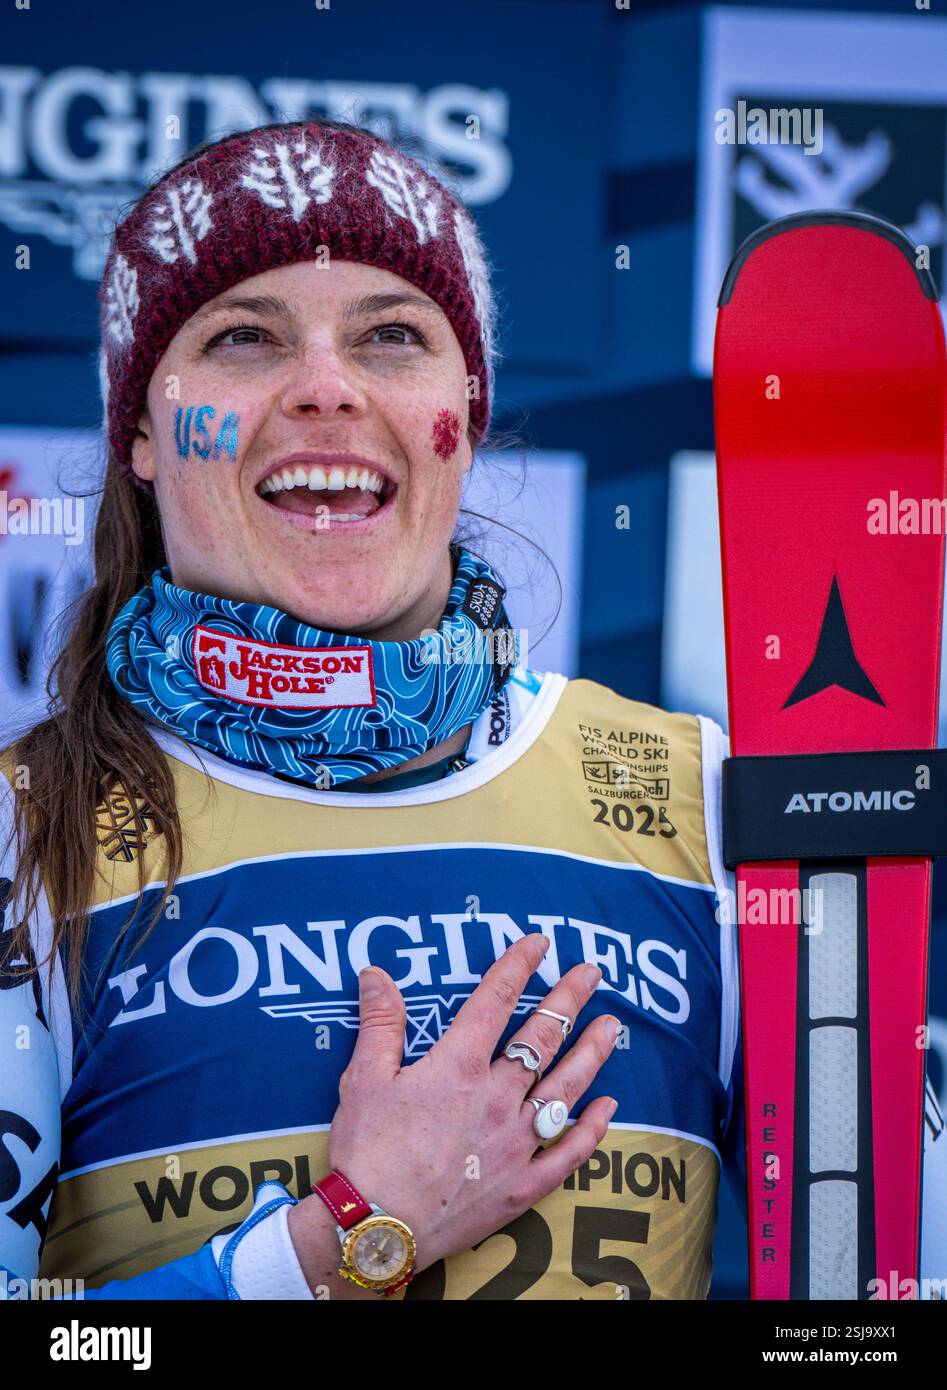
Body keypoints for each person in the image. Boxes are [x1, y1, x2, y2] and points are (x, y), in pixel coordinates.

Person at [0, 116, 940, 1302]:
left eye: (392, 336)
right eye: (245, 338)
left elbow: (888, 1284)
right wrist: (334, 1243)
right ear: (140, 428)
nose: (327, 390)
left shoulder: (705, 797)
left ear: (468, 408)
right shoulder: (28, 828)